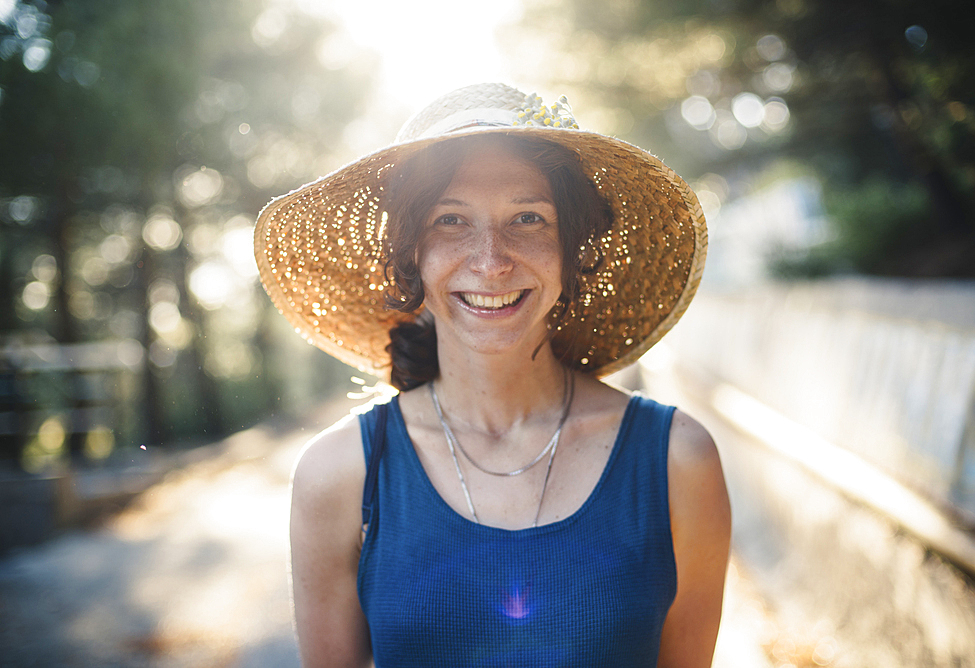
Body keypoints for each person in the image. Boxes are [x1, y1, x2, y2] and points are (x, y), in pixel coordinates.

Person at [254, 83, 730, 667]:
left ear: (574, 248)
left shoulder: (678, 461)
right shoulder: (342, 475)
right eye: (450, 220)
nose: (491, 260)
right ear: (411, 254)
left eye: (528, 218)